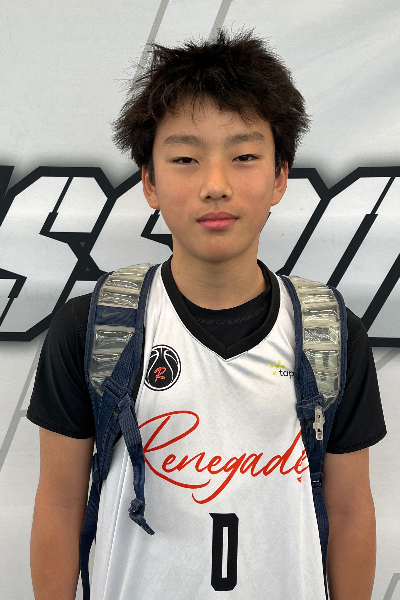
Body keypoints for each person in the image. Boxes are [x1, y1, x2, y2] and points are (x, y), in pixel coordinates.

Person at [28, 30, 386, 600]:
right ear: (149, 181)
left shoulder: (331, 333)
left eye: (244, 157)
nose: (215, 186)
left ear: (279, 177)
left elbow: (349, 511)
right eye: (185, 159)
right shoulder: (91, 327)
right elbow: (59, 501)